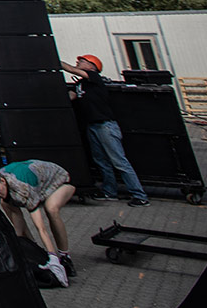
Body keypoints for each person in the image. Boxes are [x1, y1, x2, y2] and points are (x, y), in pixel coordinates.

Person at [61, 54, 149, 206]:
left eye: (81, 61)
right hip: (93, 126)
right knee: (101, 161)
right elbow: (71, 97)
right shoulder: (81, 85)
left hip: (105, 126)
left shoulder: (94, 77)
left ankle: (140, 195)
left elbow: (71, 70)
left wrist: (53, 59)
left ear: (92, 66)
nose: (77, 63)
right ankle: (110, 192)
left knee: (119, 161)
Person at [0, 159, 75, 285]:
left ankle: (65, 256)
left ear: (2, 181)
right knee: (5, 203)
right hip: (35, 182)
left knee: (51, 209)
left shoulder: (23, 188)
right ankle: (32, 247)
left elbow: (41, 228)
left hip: (60, 181)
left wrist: (53, 256)